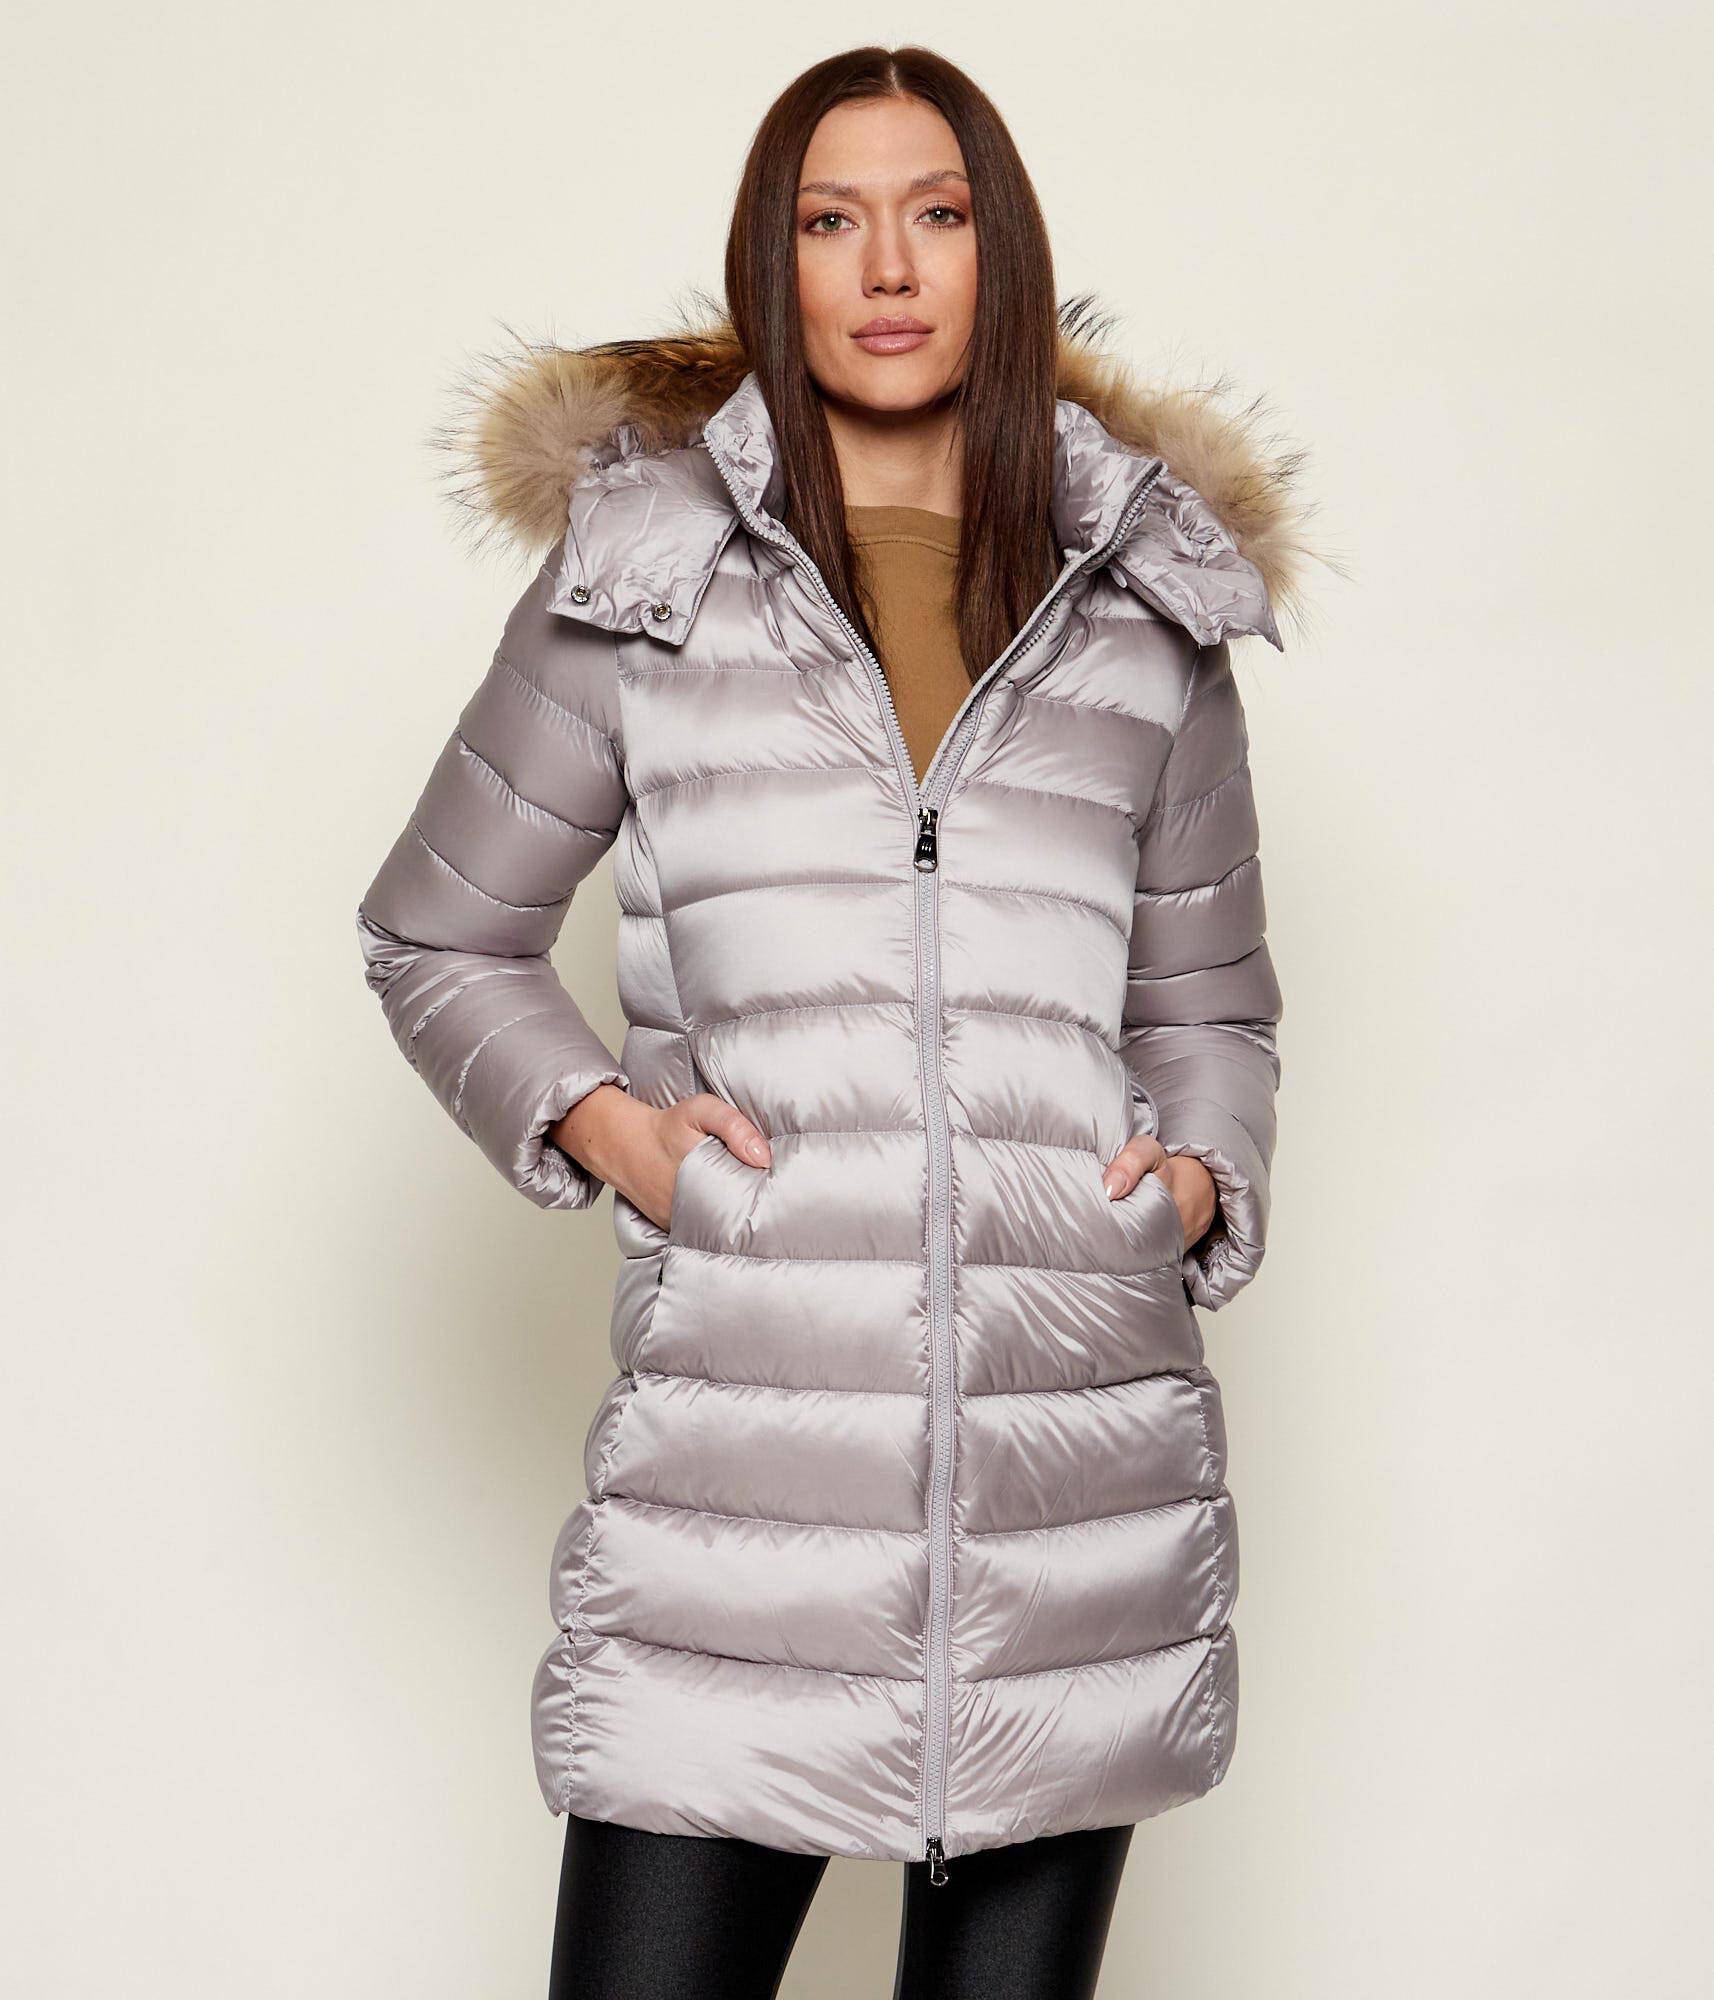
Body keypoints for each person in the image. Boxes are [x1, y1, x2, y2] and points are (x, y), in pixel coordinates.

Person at [356, 42, 1317, 2000]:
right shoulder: (638, 584)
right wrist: (607, 1129)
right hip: (739, 1501)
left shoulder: (1140, 606)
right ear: (769, 263)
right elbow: (437, 932)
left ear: (998, 255)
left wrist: (1197, 1178)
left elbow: (1207, 997)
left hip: (1067, 1507)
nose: (886, 266)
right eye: (829, 219)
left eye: (936, 214)